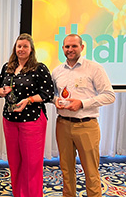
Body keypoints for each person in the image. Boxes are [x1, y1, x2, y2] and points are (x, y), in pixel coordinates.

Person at [52, 34, 116, 197]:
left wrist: (82, 103)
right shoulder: (57, 71)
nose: (70, 49)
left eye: (74, 46)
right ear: (63, 49)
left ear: (82, 47)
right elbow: (51, 94)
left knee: (91, 171)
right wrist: (55, 100)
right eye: (67, 47)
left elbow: (109, 95)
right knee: (66, 170)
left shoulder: (94, 68)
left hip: (87, 126)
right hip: (63, 125)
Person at [0, 33, 54, 197]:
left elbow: (48, 94)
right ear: (15, 48)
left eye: (25, 46)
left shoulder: (39, 68)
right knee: (15, 163)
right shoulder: (7, 67)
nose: (21, 49)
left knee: (31, 165)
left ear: (31, 49)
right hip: (9, 120)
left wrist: (28, 100)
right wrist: (3, 91)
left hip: (32, 121)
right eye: (19, 46)